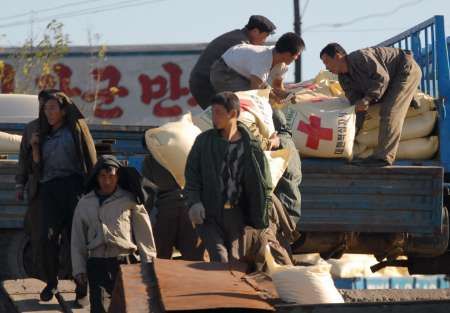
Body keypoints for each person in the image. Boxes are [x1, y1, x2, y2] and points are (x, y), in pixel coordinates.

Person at [184, 92, 292, 267]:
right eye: (212, 112)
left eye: (218, 112)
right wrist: (194, 202)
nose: (214, 117)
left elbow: (263, 183)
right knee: (219, 258)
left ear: (233, 114)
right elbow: (192, 176)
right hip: (210, 214)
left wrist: (260, 215)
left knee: (235, 262)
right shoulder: (203, 142)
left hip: (237, 217)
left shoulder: (251, 147)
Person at [30, 91, 97, 302]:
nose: (48, 113)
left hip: (74, 188)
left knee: (77, 239)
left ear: (63, 110)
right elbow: (37, 168)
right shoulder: (42, 135)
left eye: (52, 108)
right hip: (50, 190)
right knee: (46, 238)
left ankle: (81, 285)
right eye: (45, 109)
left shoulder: (75, 130)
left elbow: (90, 158)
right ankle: (51, 282)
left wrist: (94, 191)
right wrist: (34, 148)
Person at [71, 155, 157, 313]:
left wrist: (149, 265)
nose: (107, 181)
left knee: (127, 308)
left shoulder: (130, 200)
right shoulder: (85, 203)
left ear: (118, 176)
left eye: (111, 176)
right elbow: (77, 239)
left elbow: (144, 235)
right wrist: (79, 269)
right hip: (97, 264)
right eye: (103, 176)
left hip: (125, 264)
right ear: (97, 177)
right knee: (99, 308)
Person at [320, 43, 422, 166]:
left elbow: (382, 78)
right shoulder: (343, 79)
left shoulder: (361, 58)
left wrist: (367, 99)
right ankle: (409, 95)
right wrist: (353, 131)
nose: (326, 67)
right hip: (389, 80)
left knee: (389, 111)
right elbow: (357, 104)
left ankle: (383, 157)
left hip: (404, 70)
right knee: (374, 103)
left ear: (337, 56)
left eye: (327, 62)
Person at [189, 15, 276, 109]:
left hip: (204, 80)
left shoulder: (238, 36)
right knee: (227, 116)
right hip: (205, 83)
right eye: (265, 36)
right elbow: (251, 78)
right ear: (255, 31)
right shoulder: (241, 44)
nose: (264, 42)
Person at [15, 89, 58, 279]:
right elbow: (23, 160)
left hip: (60, 188)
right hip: (38, 188)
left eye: (50, 105)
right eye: (42, 105)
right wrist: (19, 185)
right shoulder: (32, 128)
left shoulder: (63, 127)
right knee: (37, 233)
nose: (45, 109)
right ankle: (42, 276)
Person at [141, 149, 204, 261]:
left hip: (165, 212)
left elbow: (147, 195)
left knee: (161, 261)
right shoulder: (189, 152)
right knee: (195, 261)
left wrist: (143, 220)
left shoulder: (151, 160)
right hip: (189, 212)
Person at [210, 32, 305, 99]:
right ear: (287, 54)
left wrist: (287, 96)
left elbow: (278, 88)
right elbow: (256, 91)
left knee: (265, 96)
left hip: (242, 74)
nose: (297, 58)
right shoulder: (263, 60)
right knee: (250, 98)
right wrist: (277, 96)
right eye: (297, 55)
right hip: (224, 71)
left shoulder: (282, 65)